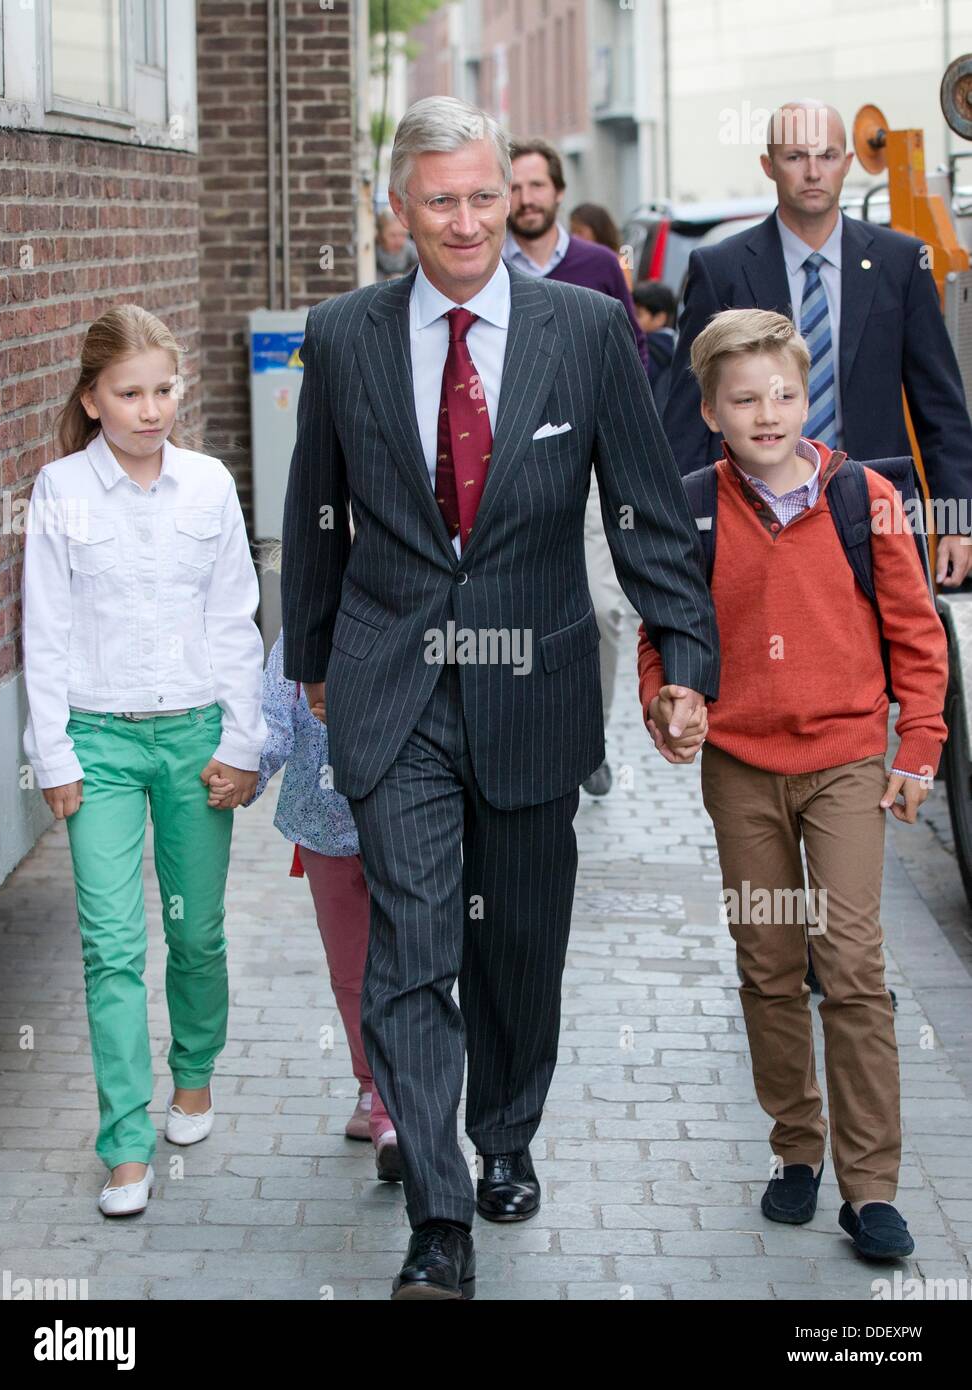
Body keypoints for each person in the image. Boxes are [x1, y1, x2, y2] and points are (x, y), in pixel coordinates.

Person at [280, 95, 719, 1299]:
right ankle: (439, 1213)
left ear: (504, 195)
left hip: (533, 683)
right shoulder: (346, 332)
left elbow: (641, 501)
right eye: (440, 200)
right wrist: (307, 666)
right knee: (413, 951)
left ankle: (507, 1131)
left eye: (483, 194)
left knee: (515, 945)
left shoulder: (584, 327)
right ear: (399, 210)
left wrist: (684, 654)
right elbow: (315, 509)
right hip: (394, 683)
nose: (467, 218)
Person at [638, 308, 949, 1259]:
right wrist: (667, 702)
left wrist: (918, 746)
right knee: (769, 961)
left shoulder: (865, 499)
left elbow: (916, 631)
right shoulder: (690, 505)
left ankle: (872, 1186)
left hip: (848, 763)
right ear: (710, 411)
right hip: (741, 769)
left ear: (804, 395)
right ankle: (796, 1150)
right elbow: (664, 631)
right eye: (744, 399)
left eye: (782, 393)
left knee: (850, 963)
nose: (767, 413)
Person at [21, 305, 267, 1216]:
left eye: (164, 389)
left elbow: (235, 624)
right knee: (111, 947)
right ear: (92, 399)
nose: (151, 408)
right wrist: (52, 754)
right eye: (129, 393)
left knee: (196, 933)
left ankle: (193, 1076)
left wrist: (243, 742)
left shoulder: (208, 486)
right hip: (99, 741)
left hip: (197, 738)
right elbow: (42, 632)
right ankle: (125, 1144)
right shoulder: (58, 490)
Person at [662, 98, 972, 587]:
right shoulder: (721, 270)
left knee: (887, 656)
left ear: (848, 164)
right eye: (795, 157)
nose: (812, 172)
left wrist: (957, 521)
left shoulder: (902, 262)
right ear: (768, 165)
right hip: (754, 517)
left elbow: (941, 406)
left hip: (877, 513)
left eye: (827, 156)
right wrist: (678, 531)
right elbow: (686, 413)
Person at [213, 545, 400, 1180]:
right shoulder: (301, 638)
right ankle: (373, 1090)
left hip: (410, 825)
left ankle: (395, 1103)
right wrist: (243, 774)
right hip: (326, 829)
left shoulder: (420, 619)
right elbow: (274, 722)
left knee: (409, 961)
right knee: (351, 971)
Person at [505, 137, 650, 797]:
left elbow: (632, 355)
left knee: (600, 607)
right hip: (505, 464)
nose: (526, 199)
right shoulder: (485, 266)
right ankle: (521, 733)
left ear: (559, 191)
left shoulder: (595, 265)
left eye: (537, 186)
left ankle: (585, 739)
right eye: (514, 187)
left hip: (585, 460)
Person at [633, 280, 678, 413]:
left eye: (638, 314)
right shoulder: (676, 348)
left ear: (659, 318)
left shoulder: (646, 349)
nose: (631, 318)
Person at [568, 201, 635, 291]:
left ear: (598, 231)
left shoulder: (618, 263)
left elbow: (625, 298)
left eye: (580, 232)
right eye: (572, 231)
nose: (574, 237)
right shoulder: (572, 261)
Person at [375, 210, 419, 281]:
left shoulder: (409, 248)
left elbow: (419, 266)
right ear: (381, 234)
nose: (398, 240)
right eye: (392, 235)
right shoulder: (376, 251)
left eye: (402, 235)